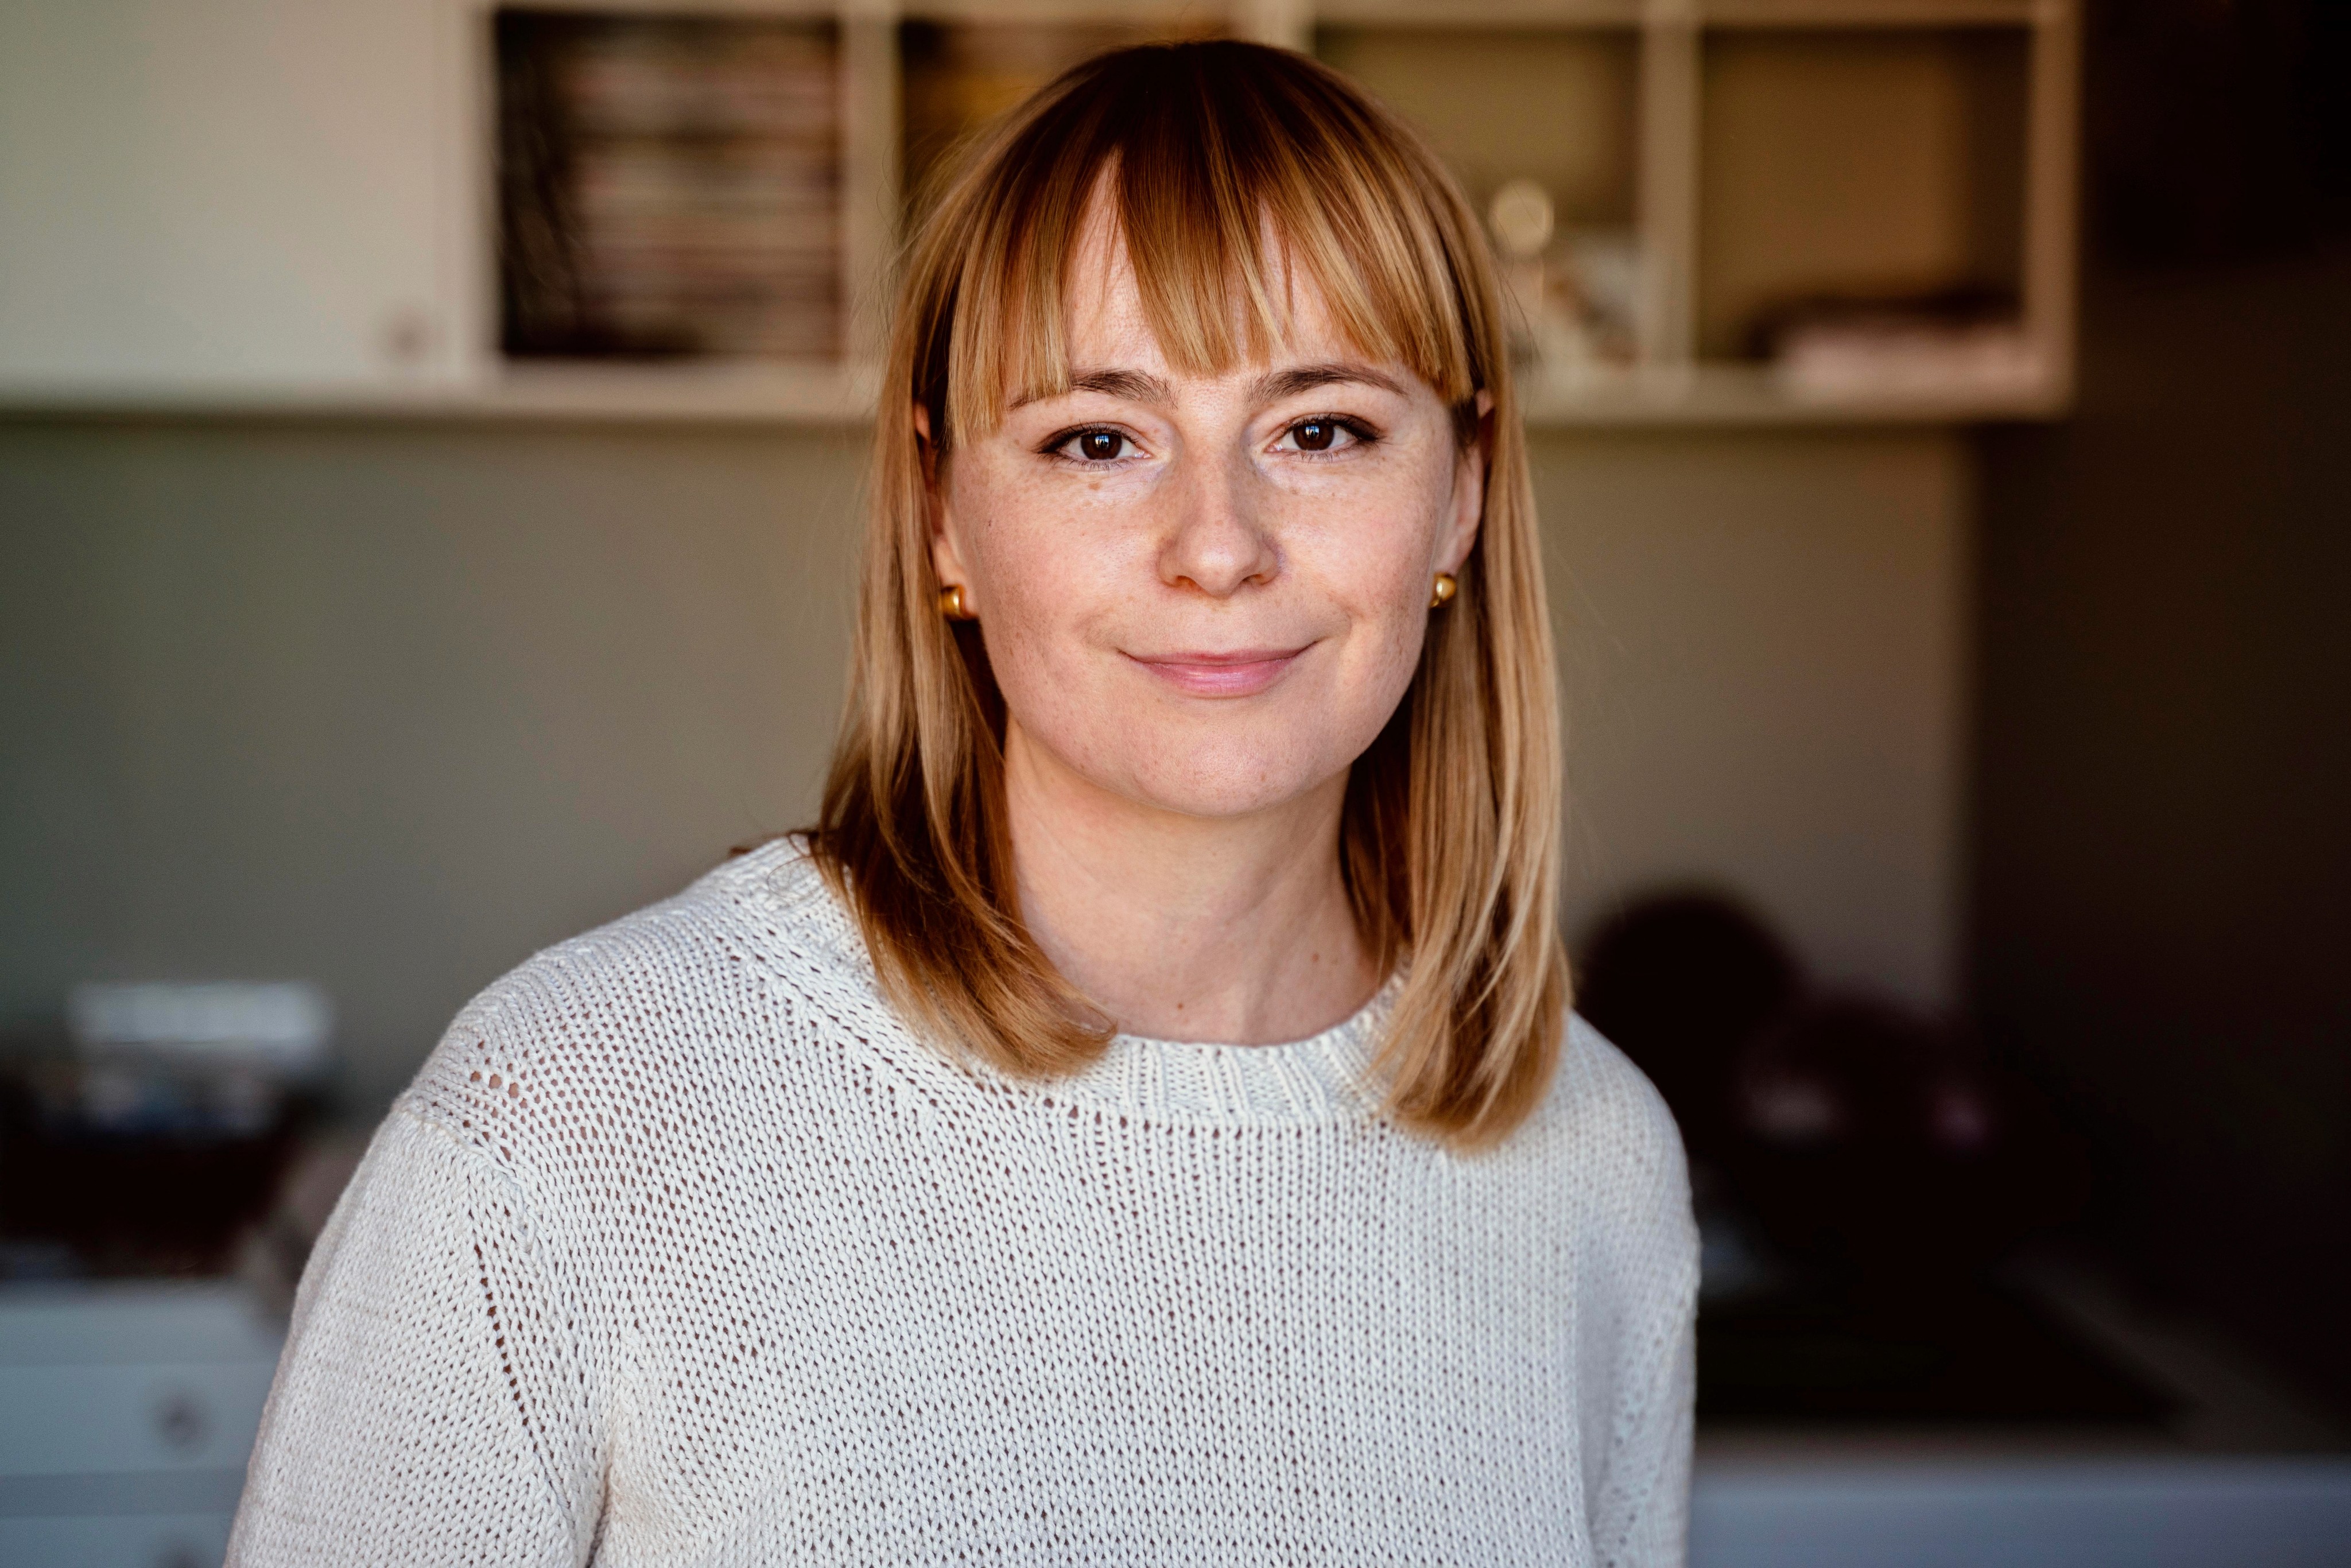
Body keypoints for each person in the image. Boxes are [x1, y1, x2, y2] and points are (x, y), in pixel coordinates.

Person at [230, 40, 1696, 1566]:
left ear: (1460, 488)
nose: (1218, 546)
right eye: (1097, 440)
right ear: (942, 513)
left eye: (1321, 429)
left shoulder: (1591, 1158)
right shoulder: (572, 1120)